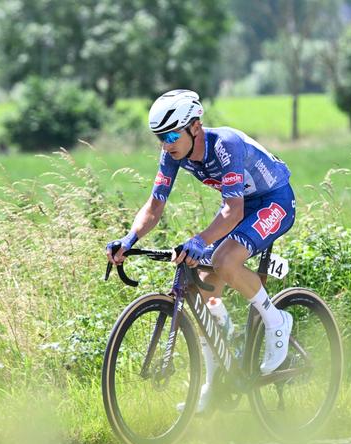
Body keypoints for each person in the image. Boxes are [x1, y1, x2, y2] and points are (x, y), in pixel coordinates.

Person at [105, 89, 296, 413]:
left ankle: (277, 320)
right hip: (245, 206)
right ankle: (219, 373)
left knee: (223, 261)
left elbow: (232, 212)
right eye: (160, 137)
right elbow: (154, 205)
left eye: (172, 134)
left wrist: (199, 240)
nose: (167, 144)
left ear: (195, 126)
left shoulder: (225, 146)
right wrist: (130, 238)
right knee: (203, 287)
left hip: (273, 200)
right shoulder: (173, 154)